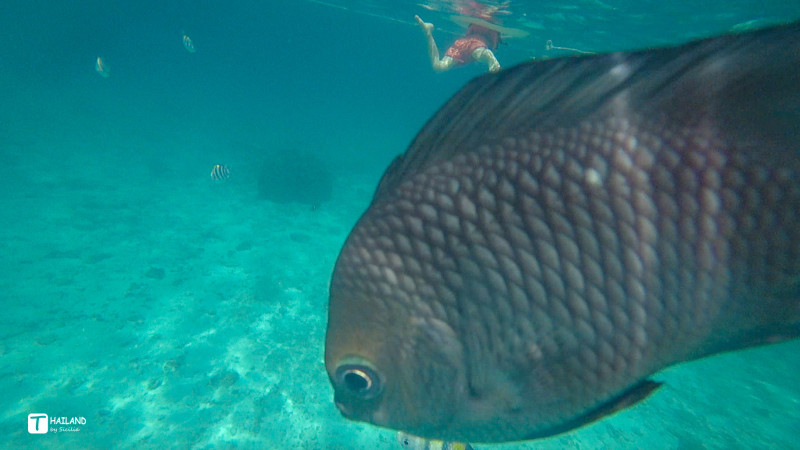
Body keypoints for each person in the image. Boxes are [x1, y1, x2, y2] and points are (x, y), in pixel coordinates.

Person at [415, 14, 502, 73]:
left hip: (461, 44)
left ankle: (428, 33)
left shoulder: (488, 30)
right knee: (481, 55)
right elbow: (492, 47)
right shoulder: (494, 34)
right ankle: (495, 67)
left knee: (438, 67)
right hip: (476, 45)